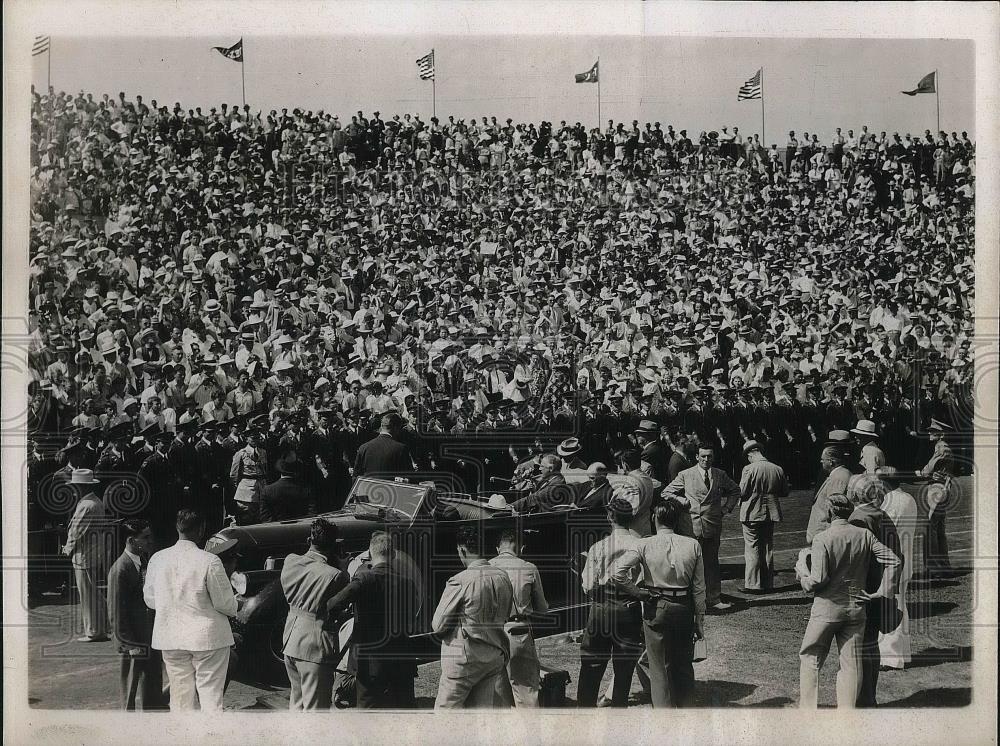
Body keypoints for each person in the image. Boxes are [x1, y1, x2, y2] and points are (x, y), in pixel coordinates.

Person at [796, 493, 901, 709]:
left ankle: (807, 711)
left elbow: (818, 579)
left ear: (829, 512)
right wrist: (882, 591)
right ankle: (848, 714)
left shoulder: (822, 539)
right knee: (851, 665)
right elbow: (894, 560)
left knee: (810, 658)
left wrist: (802, 572)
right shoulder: (864, 535)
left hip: (826, 610)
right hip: (855, 609)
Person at [612, 499, 706, 707]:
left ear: (655, 518)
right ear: (676, 520)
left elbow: (617, 572)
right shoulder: (693, 544)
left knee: (658, 667)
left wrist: (638, 593)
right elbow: (700, 588)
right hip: (684, 606)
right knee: (683, 664)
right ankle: (687, 713)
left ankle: (664, 716)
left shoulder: (644, 544)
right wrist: (699, 620)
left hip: (656, 604)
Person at [143, 509, 238, 711]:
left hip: (171, 635)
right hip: (207, 637)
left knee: (179, 695)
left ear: (177, 528)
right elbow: (225, 604)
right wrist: (235, 605)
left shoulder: (157, 559)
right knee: (210, 694)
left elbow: (151, 599)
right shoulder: (210, 561)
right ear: (201, 529)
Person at [327, 531, 420, 708]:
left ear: (369, 555)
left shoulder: (364, 579)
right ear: (393, 554)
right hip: (401, 660)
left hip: (369, 663)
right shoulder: (408, 583)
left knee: (368, 715)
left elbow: (332, 605)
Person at [431, 524, 514, 708]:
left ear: (462, 549)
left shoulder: (459, 581)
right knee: (481, 719)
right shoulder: (503, 577)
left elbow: (438, 626)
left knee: (445, 718)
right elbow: (506, 614)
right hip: (493, 656)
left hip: (464, 660)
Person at [576, 497, 644, 707]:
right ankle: (618, 711)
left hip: (602, 607)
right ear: (631, 518)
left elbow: (588, 585)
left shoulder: (598, 547)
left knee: (592, 662)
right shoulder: (641, 545)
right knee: (624, 668)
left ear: (610, 517)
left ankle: (585, 711)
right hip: (629, 608)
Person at [278, 517, 348, 710]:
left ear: (310, 540)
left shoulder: (290, 561)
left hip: (291, 638)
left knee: (297, 702)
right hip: (314, 644)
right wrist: (343, 567)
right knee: (316, 710)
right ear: (333, 545)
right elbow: (342, 597)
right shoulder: (334, 575)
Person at [847, 473, 903, 707]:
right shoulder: (882, 515)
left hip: (865, 589)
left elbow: (855, 556)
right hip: (880, 589)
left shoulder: (860, 517)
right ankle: (868, 697)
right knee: (869, 645)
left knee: (858, 647)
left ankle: (861, 698)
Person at [662, 444, 740, 610]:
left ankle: (714, 598)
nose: (706, 459)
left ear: (713, 457)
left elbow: (735, 490)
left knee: (711, 563)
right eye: (703, 456)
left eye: (709, 456)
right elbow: (666, 492)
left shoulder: (720, 474)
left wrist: (726, 509)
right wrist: (682, 501)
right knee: (690, 563)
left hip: (712, 525)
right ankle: (690, 600)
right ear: (697, 457)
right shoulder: (685, 474)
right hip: (691, 526)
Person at [106, 518, 165, 710]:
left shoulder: (145, 561)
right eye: (145, 537)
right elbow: (116, 612)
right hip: (132, 640)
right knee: (130, 690)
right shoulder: (120, 569)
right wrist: (129, 644)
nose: (150, 541)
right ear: (131, 541)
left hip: (149, 635)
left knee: (153, 682)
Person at [489, 528, 549, 707]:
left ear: (498, 548)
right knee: (526, 691)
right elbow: (542, 609)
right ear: (521, 548)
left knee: (498, 693)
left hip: (492, 634)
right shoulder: (529, 568)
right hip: (519, 632)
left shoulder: (487, 567)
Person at [876, 467, 918, 669]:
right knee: (900, 605)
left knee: (890, 607)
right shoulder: (908, 498)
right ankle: (902, 654)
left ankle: (891, 657)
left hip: (893, 561)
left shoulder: (890, 503)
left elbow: (885, 532)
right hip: (905, 560)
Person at [62, 468, 110, 642]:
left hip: (84, 553)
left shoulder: (86, 505)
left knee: (88, 593)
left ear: (80, 486)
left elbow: (76, 531)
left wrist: (67, 549)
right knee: (93, 592)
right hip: (94, 551)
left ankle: (94, 631)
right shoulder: (95, 501)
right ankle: (101, 627)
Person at [737, 441, 788, 593]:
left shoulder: (749, 468)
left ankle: (753, 584)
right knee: (767, 547)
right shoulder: (777, 468)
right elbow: (785, 491)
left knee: (752, 548)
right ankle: (767, 583)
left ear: (750, 454)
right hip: (771, 512)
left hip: (751, 512)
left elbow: (742, 491)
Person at [920, 418, 955, 574]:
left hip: (936, 489)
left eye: (933, 431)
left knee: (931, 529)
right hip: (941, 488)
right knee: (938, 529)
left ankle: (934, 567)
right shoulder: (942, 447)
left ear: (941, 435)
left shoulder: (941, 448)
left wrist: (921, 472)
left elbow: (927, 471)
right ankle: (943, 565)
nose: (929, 433)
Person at [806, 445, 855, 543]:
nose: (821, 461)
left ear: (831, 461)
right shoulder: (838, 474)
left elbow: (834, 506)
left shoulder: (839, 477)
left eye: (823, 459)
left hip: (825, 531)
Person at [229, 425, 268, 525]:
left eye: (257, 437)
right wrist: (240, 488)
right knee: (246, 518)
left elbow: (266, 470)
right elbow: (234, 475)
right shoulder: (241, 453)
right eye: (252, 437)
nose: (255, 440)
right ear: (246, 439)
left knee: (261, 517)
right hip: (246, 491)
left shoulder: (263, 452)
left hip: (261, 488)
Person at [354, 412, 413, 478]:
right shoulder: (401, 449)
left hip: (368, 487)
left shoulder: (363, 448)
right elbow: (409, 478)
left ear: (381, 426)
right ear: (396, 428)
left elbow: (356, 478)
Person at [259, 457, 315, 522]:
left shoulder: (267, 490)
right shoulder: (306, 489)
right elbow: (311, 515)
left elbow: (265, 518)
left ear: (280, 470)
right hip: (301, 529)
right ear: (296, 471)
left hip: (276, 530)